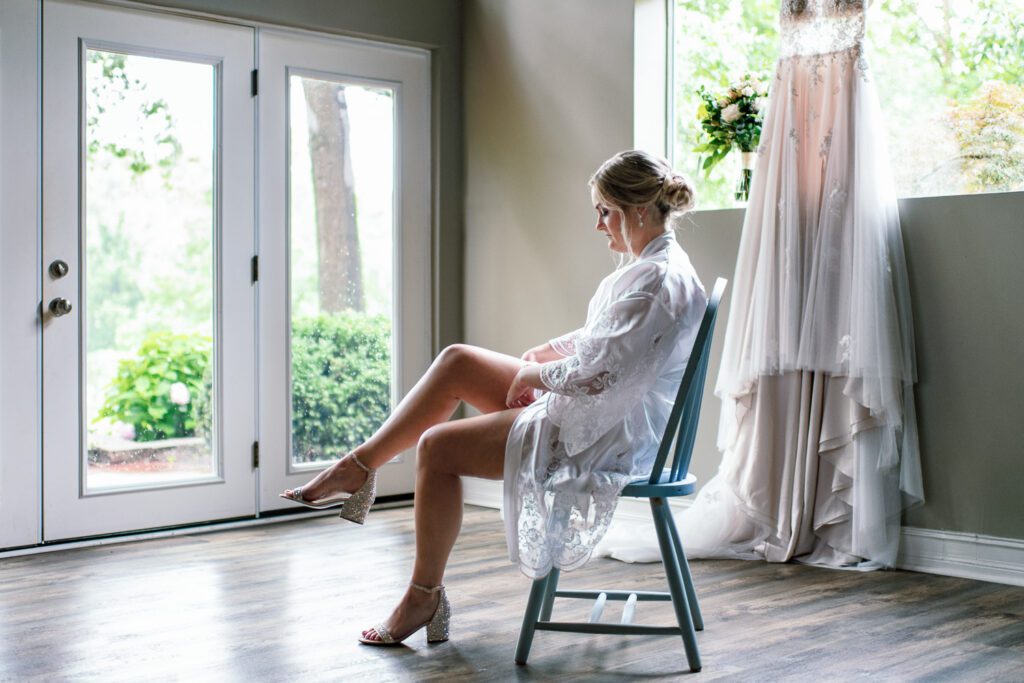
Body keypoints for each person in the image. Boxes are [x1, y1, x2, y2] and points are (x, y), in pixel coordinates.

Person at [281, 150, 707, 647]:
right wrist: (551, 350)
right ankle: (359, 465)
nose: (598, 225)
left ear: (636, 209)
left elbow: (600, 375)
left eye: (603, 210)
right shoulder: (656, 263)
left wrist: (533, 371)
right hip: (605, 410)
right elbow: (610, 341)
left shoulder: (657, 279)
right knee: (458, 359)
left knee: (436, 449)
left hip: (606, 431)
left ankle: (423, 596)